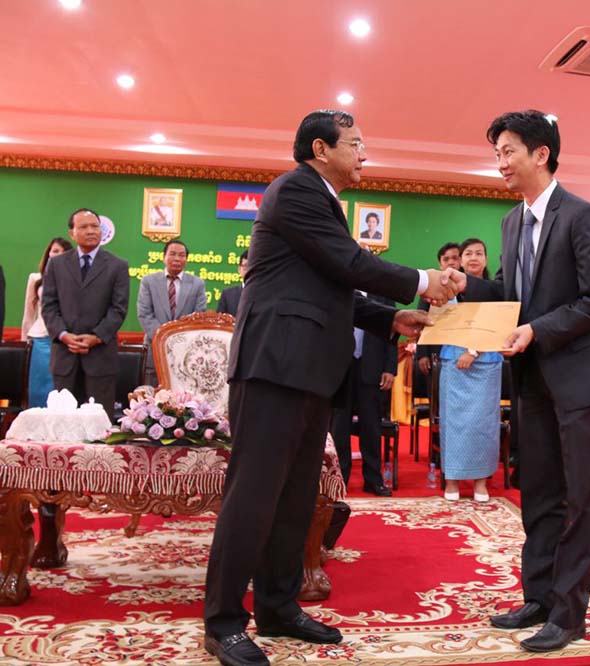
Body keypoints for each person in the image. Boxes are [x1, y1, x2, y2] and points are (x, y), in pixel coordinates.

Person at [202, 109, 464, 666]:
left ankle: (277, 606)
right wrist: (422, 282)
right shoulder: (295, 190)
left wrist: (391, 319)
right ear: (321, 149)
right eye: (357, 143)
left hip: (310, 371)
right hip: (274, 365)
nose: (365, 154)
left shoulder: (323, 203)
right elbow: (348, 263)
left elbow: (333, 284)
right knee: (252, 496)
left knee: (296, 497)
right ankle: (223, 621)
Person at [463, 110, 590, 653]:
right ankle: (537, 596)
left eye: (508, 151)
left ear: (541, 154)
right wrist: (462, 289)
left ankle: (569, 613)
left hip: (584, 378)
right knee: (537, 491)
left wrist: (537, 328)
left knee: (581, 498)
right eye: (497, 154)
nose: (501, 164)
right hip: (533, 377)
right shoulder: (512, 222)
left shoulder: (583, 216)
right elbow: (514, 291)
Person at [42, 208, 130, 421]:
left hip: (100, 358)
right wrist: (63, 334)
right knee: (62, 425)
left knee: (98, 427)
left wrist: (96, 337)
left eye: (95, 226)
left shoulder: (118, 265)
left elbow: (118, 309)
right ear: (72, 233)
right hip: (65, 355)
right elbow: (49, 306)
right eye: (84, 227)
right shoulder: (56, 264)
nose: (91, 231)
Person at [440, 238, 502, 502]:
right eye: (468, 254)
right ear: (460, 260)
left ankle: (480, 482)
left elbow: (500, 324)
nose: (474, 257)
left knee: (483, 424)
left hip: (486, 363)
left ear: (486, 259)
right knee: (453, 423)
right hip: (453, 361)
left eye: (479, 253)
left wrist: (474, 351)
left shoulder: (497, 289)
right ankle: (451, 480)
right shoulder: (447, 289)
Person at [329, 290, 398, 497]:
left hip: (372, 366)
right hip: (341, 367)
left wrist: (389, 368)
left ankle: (373, 480)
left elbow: (392, 331)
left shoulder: (382, 292)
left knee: (371, 426)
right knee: (339, 427)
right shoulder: (339, 286)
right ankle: (340, 479)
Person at [136, 239, 208, 386]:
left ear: (186, 260)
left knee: (182, 396)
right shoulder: (149, 281)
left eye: (181, 255)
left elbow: (198, 316)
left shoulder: (197, 284)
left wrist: (178, 341)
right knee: (151, 394)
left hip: (185, 351)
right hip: (154, 346)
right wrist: (164, 338)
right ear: (164, 257)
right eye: (173, 254)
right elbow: (145, 313)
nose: (177, 258)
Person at [21, 237, 73, 407]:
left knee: (59, 390)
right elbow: (29, 313)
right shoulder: (36, 279)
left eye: (63, 252)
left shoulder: (76, 280)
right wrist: (24, 344)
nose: (58, 255)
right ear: (48, 254)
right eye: (55, 251)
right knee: (38, 388)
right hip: (39, 339)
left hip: (64, 340)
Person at [415, 242, 461, 376]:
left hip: (463, 354)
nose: (451, 262)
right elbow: (421, 320)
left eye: (455, 258)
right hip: (436, 353)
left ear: (461, 260)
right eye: (446, 259)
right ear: (440, 264)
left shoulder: (470, 289)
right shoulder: (430, 288)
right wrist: (422, 354)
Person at [216, 251, 248, 316]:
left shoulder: (266, 295)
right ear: (239, 269)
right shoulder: (227, 295)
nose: (249, 270)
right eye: (246, 266)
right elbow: (220, 322)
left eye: (253, 266)